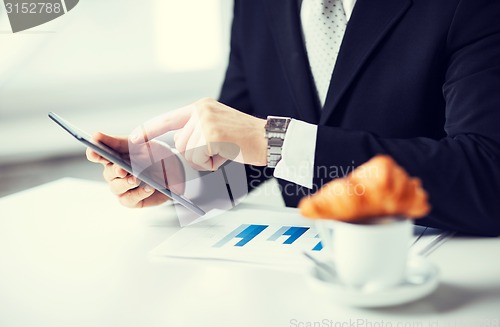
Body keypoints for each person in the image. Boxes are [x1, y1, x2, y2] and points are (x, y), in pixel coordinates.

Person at [87, 0, 500, 236]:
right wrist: (185, 177)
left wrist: (276, 139)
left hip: (433, 271)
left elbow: (487, 176)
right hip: (298, 270)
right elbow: (245, 142)